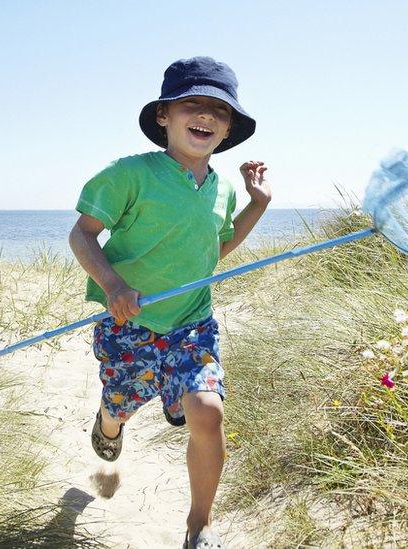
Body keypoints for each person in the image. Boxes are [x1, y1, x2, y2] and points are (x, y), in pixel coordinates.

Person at [68, 56, 271, 549]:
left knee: (207, 412)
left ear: (228, 129)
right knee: (122, 402)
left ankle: (199, 526)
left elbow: (215, 250)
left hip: (191, 323)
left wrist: (257, 204)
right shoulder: (128, 175)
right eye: (192, 104)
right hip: (129, 323)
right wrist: (114, 286)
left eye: (218, 111)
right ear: (164, 116)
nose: (205, 116)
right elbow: (82, 234)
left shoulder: (222, 187)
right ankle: (110, 420)